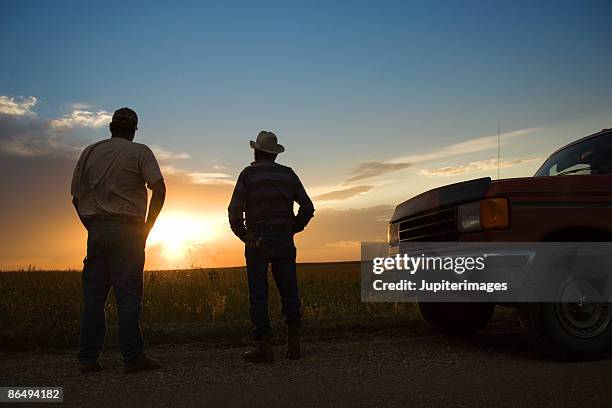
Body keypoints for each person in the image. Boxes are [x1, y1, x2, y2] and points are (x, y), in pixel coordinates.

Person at [71, 107, 166, 374]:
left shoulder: (89, 152)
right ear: (133, 130)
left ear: (111, 127)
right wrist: (147, 228)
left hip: (97, 229)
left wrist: (91, 225)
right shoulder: (140, 152)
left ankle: (88, 359)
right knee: (128, 296)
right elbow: (159, 188)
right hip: (129, 230)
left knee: (93, 298)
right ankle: (133, 357)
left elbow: (76, 197)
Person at [228, 131, 315, 363]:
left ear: (256, 151)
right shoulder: (288, 174)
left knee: (258, 292)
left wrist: (243, 234)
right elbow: (307, 207)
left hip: (257, 240)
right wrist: (294, 227)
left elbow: (234, 210)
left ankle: (264, 347)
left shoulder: (248, 174)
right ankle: (293, 345)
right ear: (274, 154)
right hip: (284, 239)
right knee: (288, 288)